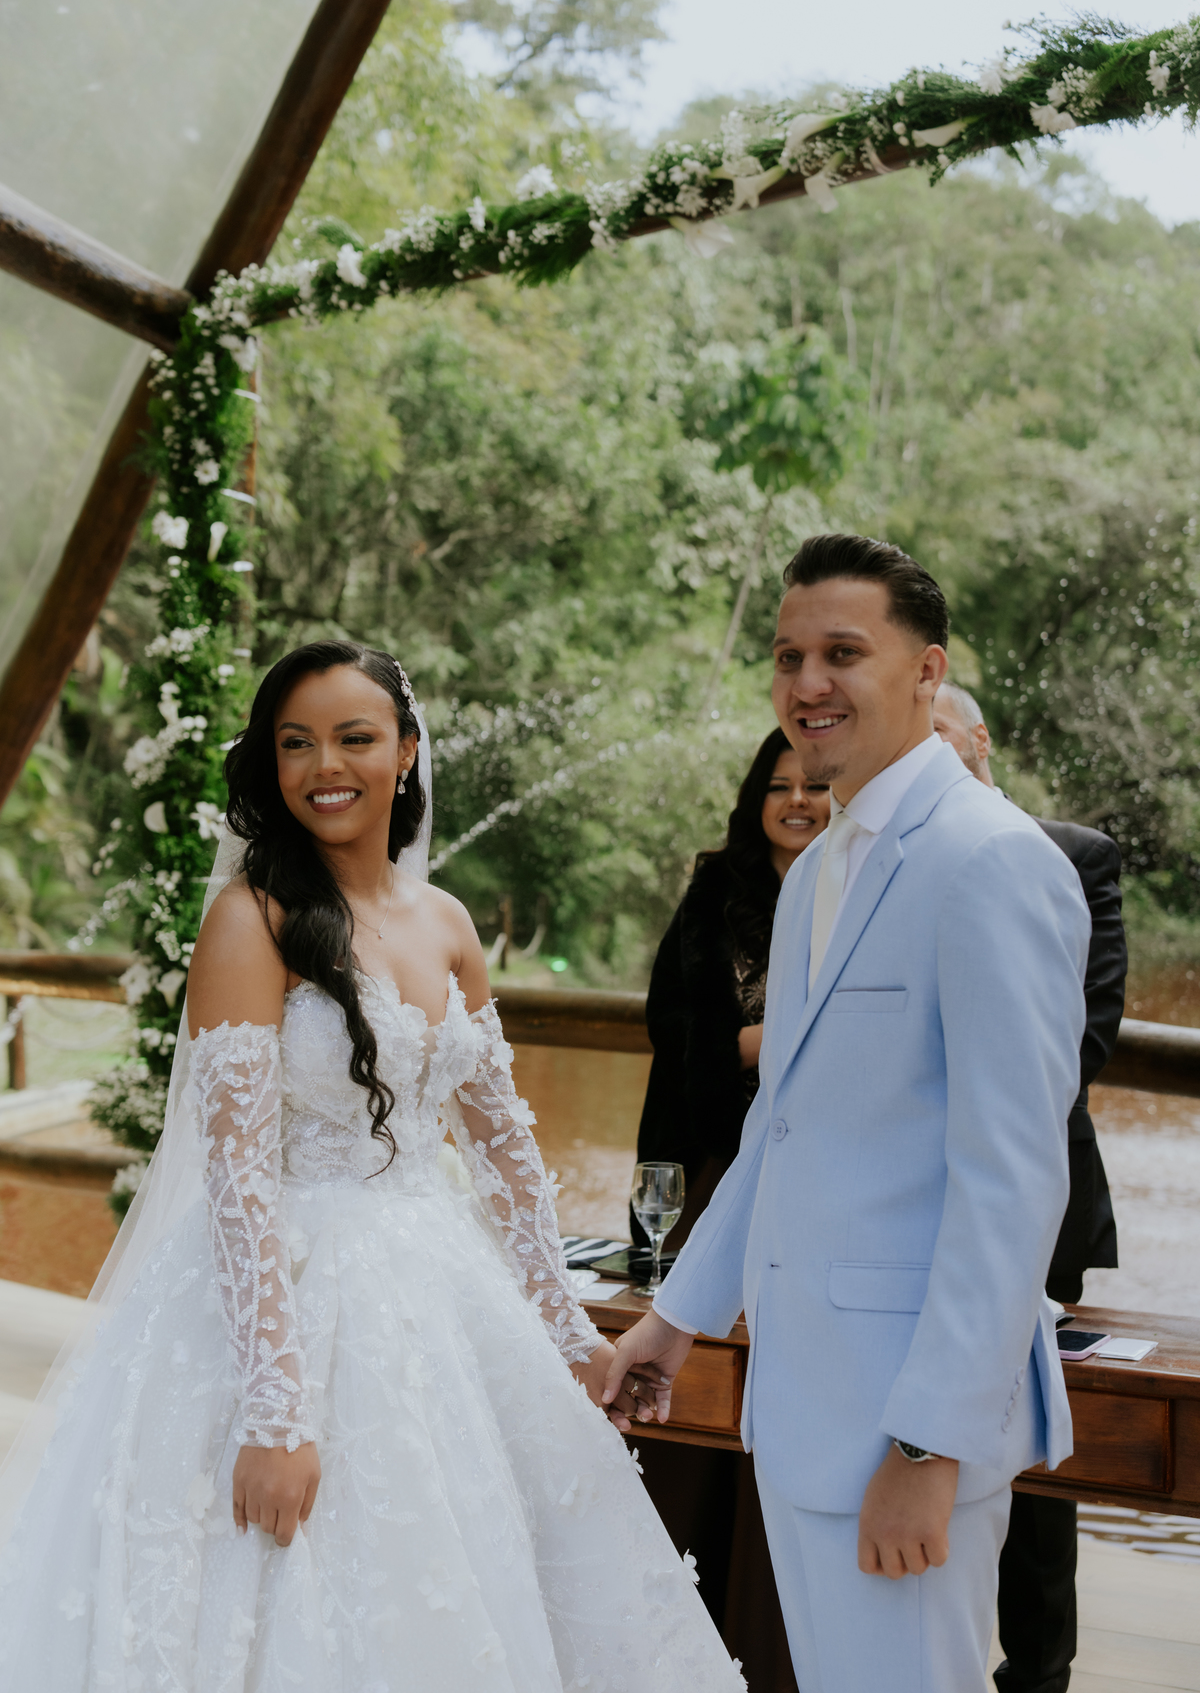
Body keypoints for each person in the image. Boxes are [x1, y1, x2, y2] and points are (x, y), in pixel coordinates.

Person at [0, 641, 745, 1693]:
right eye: (295, 744)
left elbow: (504, 1150)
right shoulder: (251, 919)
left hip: (439, 1288)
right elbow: (237, 1178)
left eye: (354, 738)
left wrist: (568, 1333)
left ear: (404, 752)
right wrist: (275, 1416)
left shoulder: (447, 924)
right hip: (285, 1304)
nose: (325, 766)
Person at [603, 535, 1091, 1693]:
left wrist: (930, 1443)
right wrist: (674, 1321)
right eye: (788, 657)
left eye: (842, 653)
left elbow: (1012, 1183)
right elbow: (786, 1129)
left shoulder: (991, 862)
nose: (807, 682)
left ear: (927, 671)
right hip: (804, 1413)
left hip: (906, 1428)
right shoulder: (821, 871)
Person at [934, 680, 1125, 1693]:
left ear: (980, 740)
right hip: (896, 1202)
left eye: (940, 737)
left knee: (1034, 1441)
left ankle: (1038, 1670)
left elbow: (1085, 1035)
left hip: (1038, 1197)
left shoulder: (1075, 855)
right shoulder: (865, 855)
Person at [632, 730, 829, 1691]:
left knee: (787, 1380)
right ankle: (674, 1629)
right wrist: (765, 1039)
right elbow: (675, 1022)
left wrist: (769, 1040)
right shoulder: (718, 889)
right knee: (698, 1371)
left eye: (813, 787)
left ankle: (768, 1630)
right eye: (777, 786)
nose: (796, 801)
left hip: (816, 1175)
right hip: (709, 1159)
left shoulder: (855, 885)